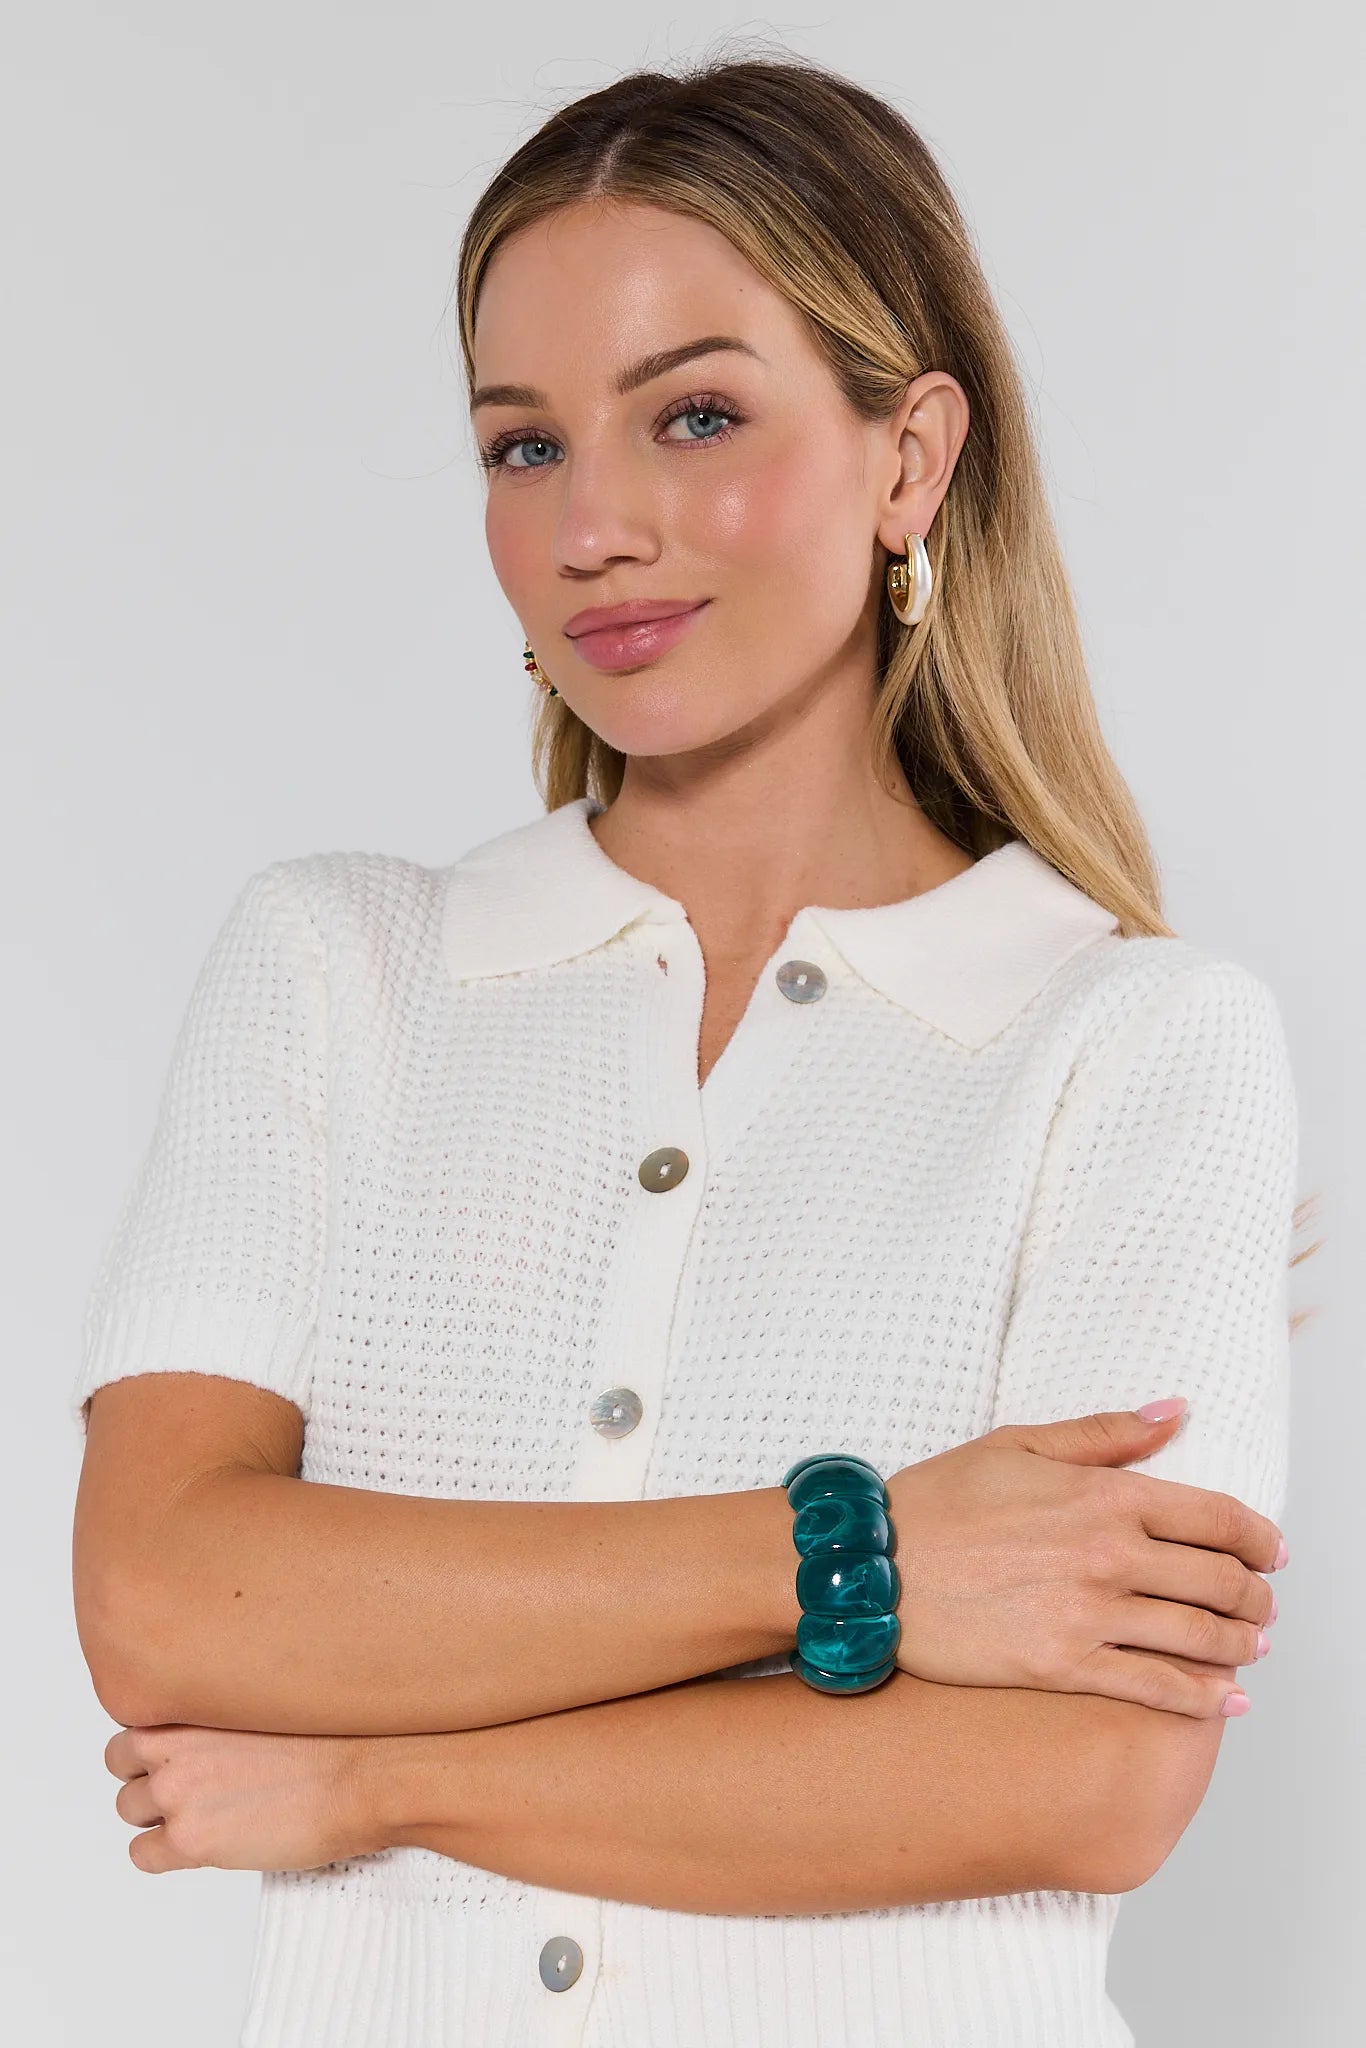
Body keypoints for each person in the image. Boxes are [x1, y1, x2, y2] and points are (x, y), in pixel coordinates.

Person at [71, 51, 1307, 2048]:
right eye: (522, 446)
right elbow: (167, 1600)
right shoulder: (338, 969)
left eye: (696, 416)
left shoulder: (1137, 1044)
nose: (594, 527)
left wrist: (379, 1773)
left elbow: (1077, 1784)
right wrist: (876, 1556)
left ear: (908, 456)